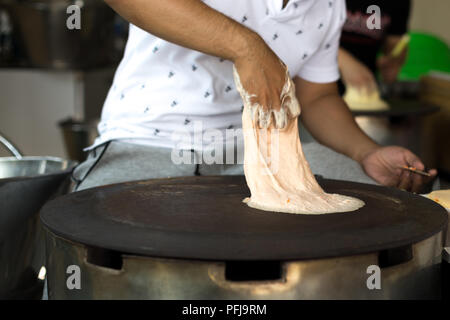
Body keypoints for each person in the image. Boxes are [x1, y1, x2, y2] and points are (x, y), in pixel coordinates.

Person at [72, 0, 436, 194]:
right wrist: (245, 46)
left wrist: (366, 151)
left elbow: (318, 98)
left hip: (259, 150)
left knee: (373, 204)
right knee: (103, 237)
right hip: (149, 142)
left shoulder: (328, 6)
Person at [338, 0, 411, 93]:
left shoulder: (399, 3)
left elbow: (395, 41)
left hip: (366, 86)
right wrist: (343, 61)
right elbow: (314, 38)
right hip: (321, 83)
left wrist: (393, 60)